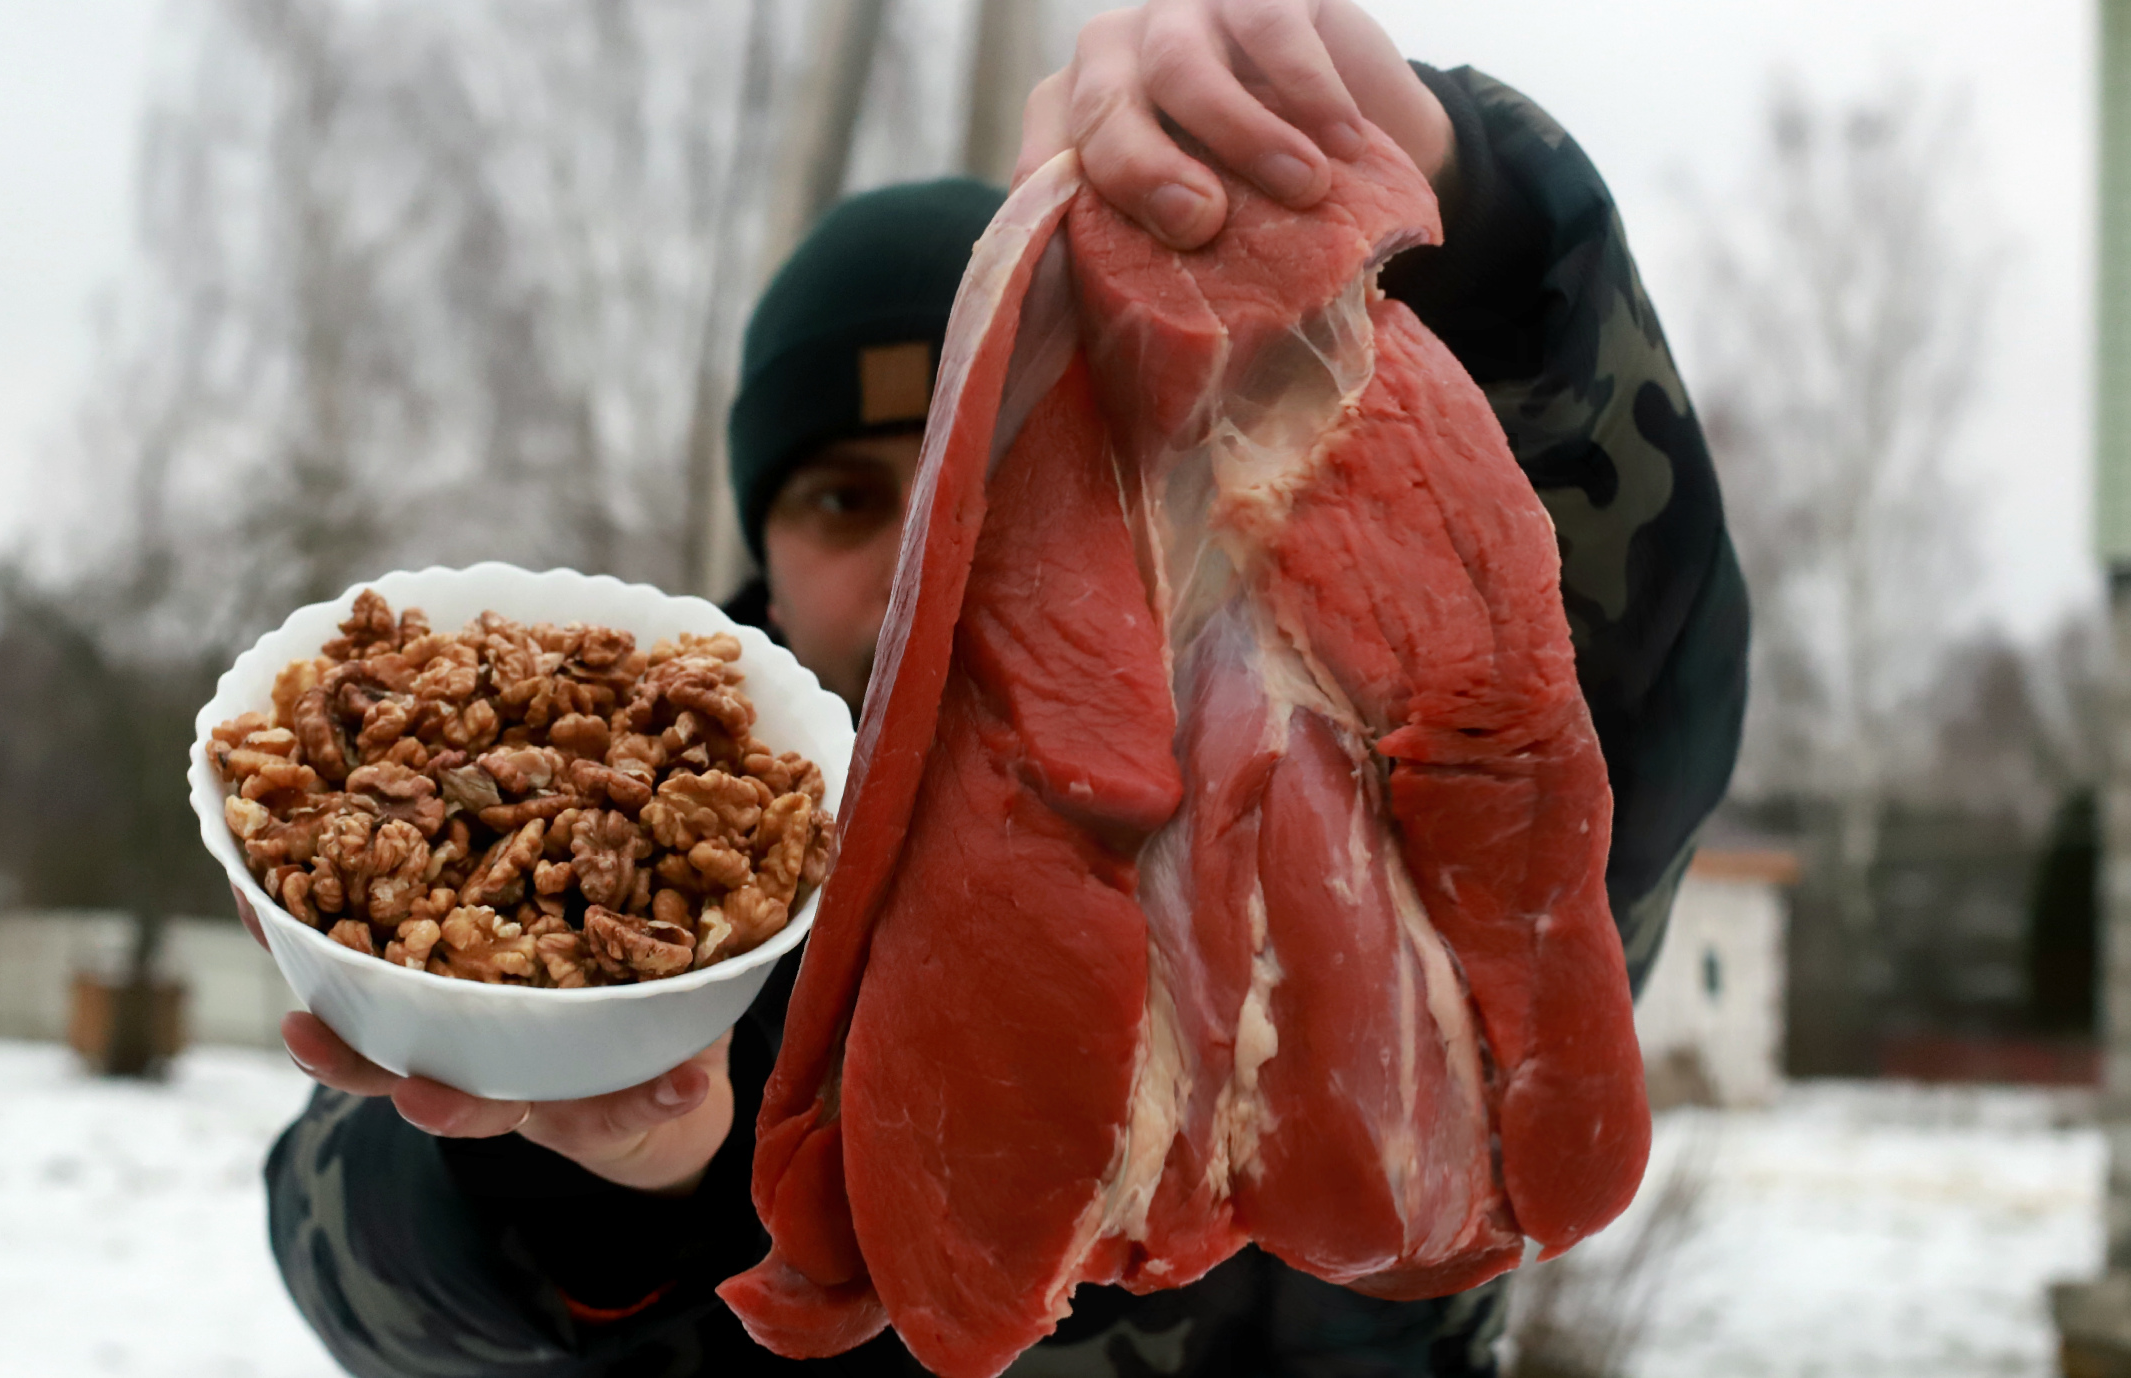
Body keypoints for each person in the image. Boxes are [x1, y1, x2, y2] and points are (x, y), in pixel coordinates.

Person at [245, 1, 1750, 1372]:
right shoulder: (617, 836)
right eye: (842, 499)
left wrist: (1474, 221)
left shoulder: (1311, 720)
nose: (925, 539)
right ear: (758, 551)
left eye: (995, 466)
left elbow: (1628, 673)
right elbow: (353, 1255)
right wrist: (603, 1159)